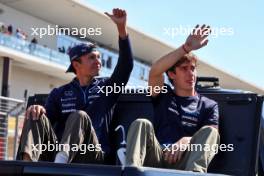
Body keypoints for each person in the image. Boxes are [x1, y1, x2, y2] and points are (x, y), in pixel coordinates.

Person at [17, 8, 134, 164]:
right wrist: (39, 110)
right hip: (57, 152)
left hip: (92, 154)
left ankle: (60, 166)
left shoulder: (108, 87)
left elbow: (126, 65)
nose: (98, 62)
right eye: (92, 58)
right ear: (76, 64)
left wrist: (122, 29)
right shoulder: (60, 93)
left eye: (99, 58)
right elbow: (46, 123)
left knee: (79, 115)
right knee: (34, 113)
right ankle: (26, 165)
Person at [125, 24, 220, 172]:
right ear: (171, 74)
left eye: (193, 68)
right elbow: (155, 72)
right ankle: (132, 171)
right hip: (156, 158)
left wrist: (186, 141)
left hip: (185, 163)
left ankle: (195, 175)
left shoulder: (209, 105)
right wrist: (186, 47)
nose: (191, 74)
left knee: (211, 131)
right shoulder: (163, 95)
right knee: (141, 123)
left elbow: (212, 136)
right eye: (184, 69)